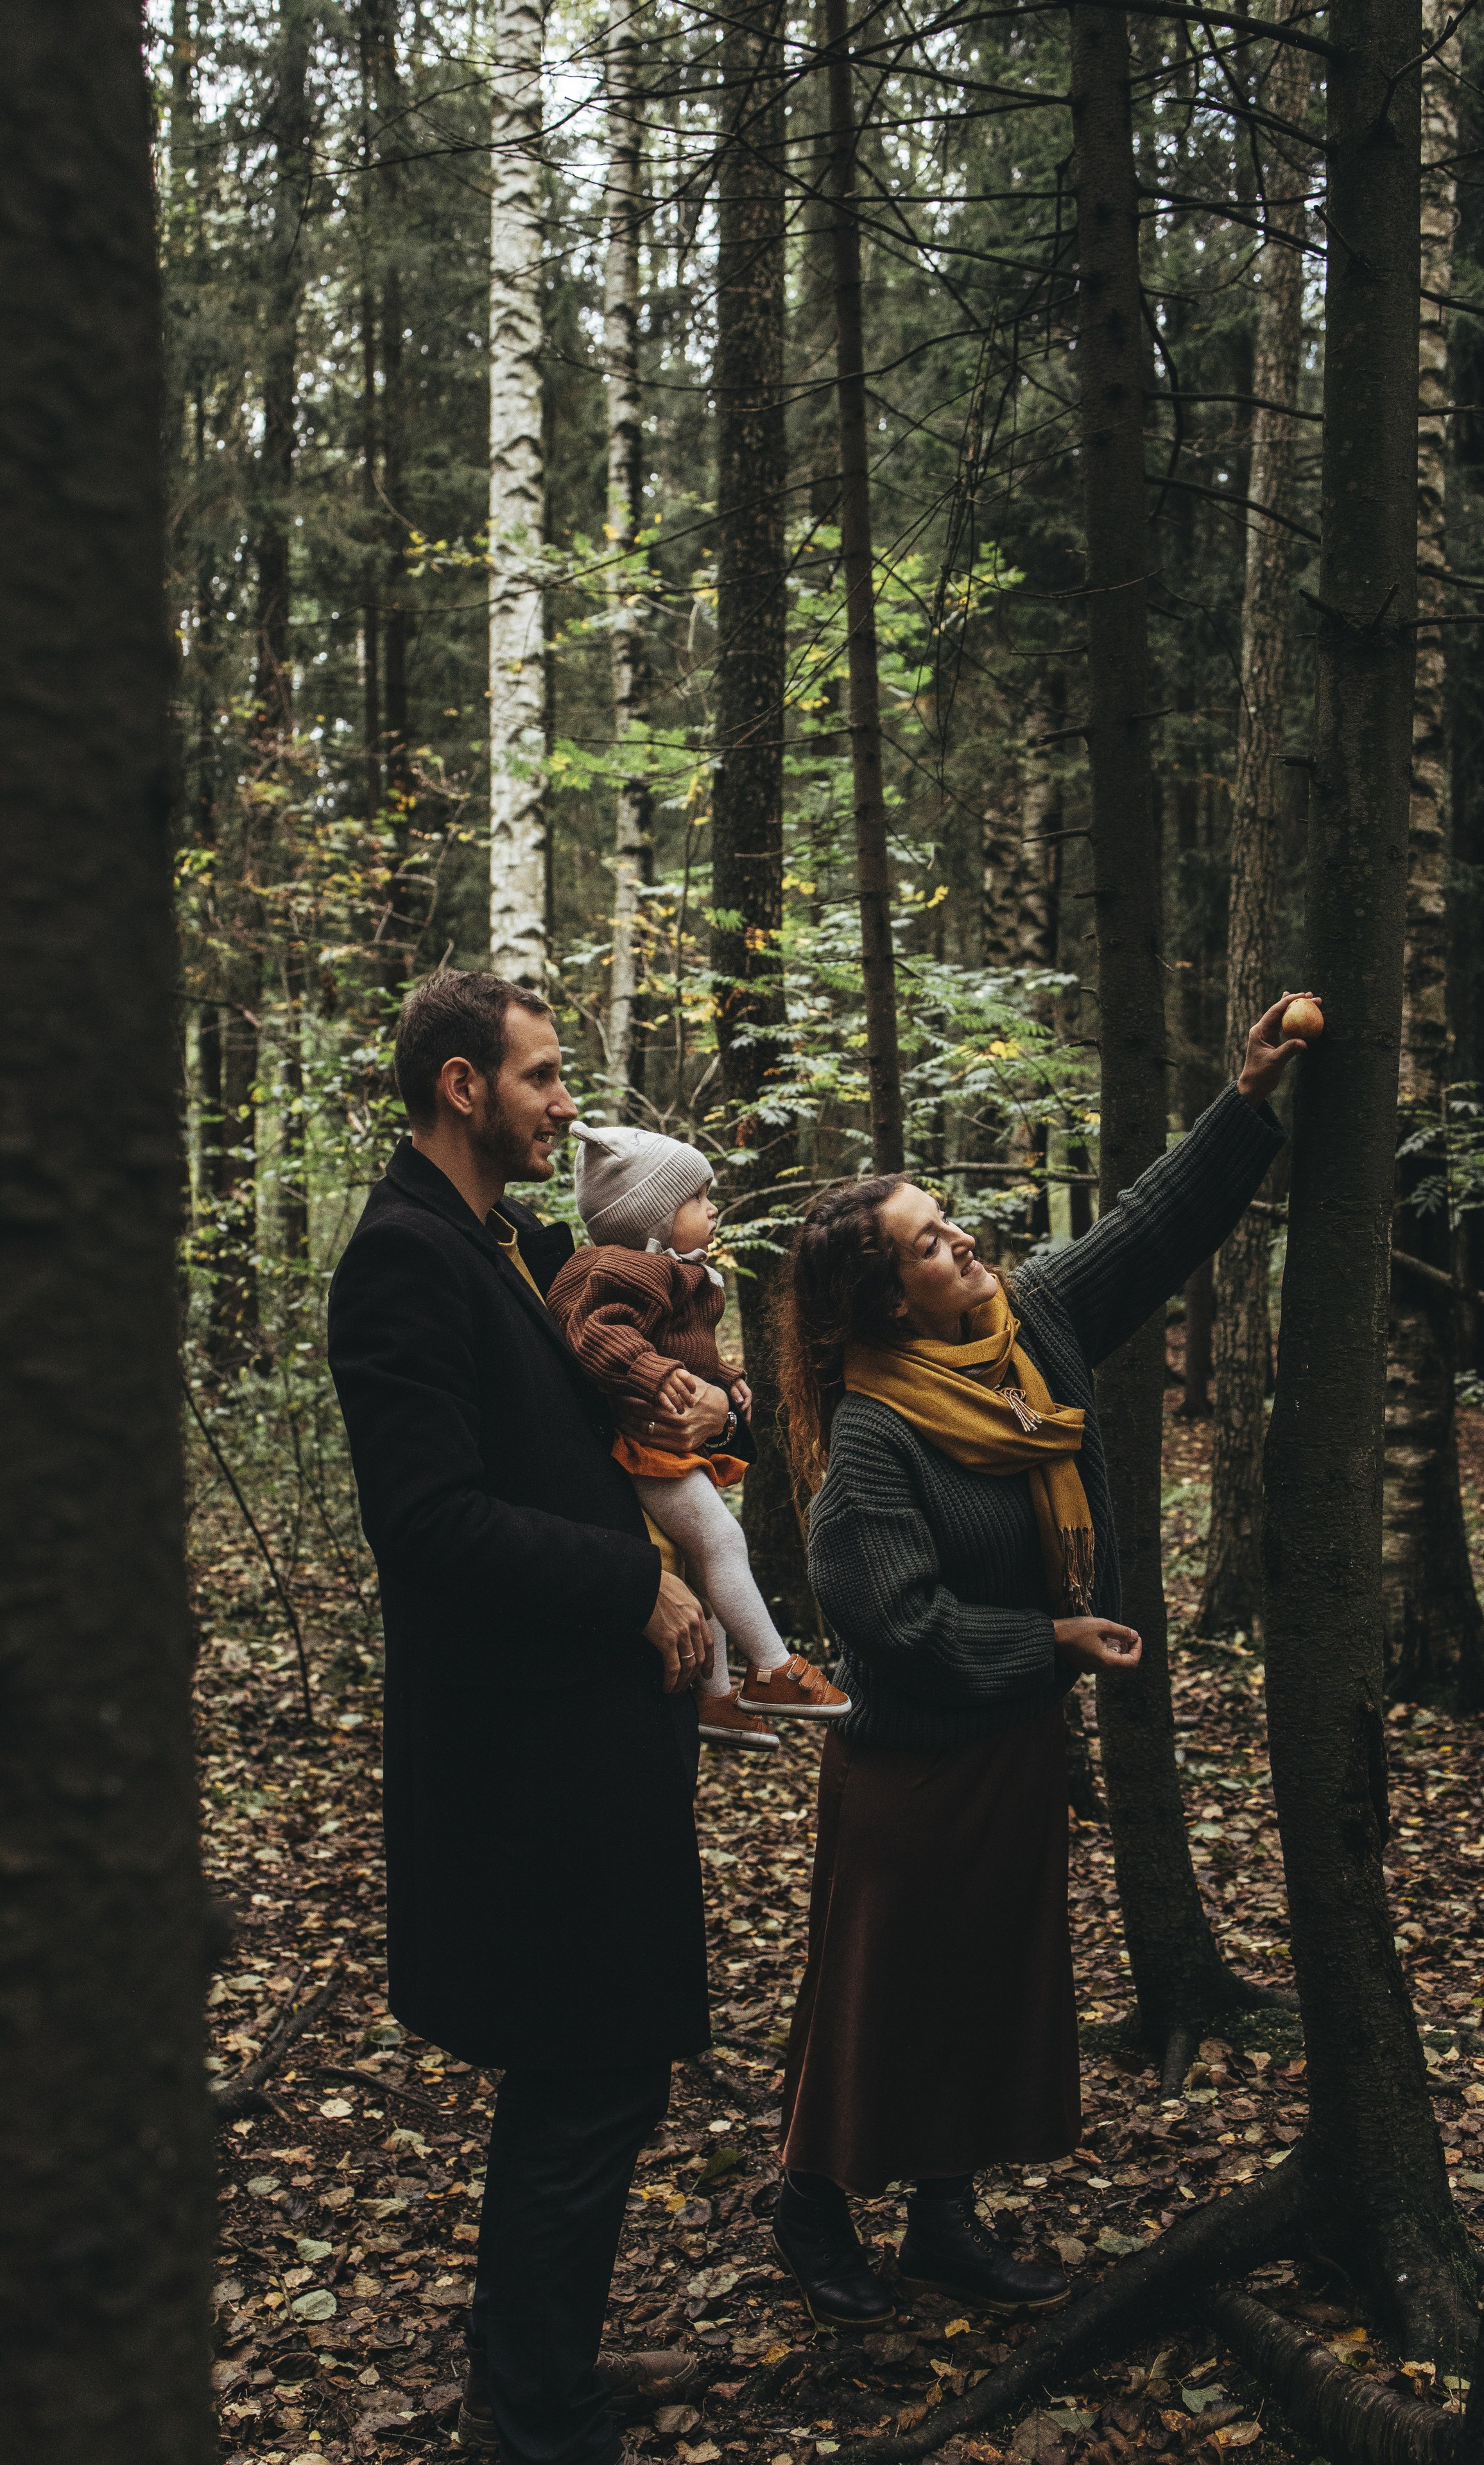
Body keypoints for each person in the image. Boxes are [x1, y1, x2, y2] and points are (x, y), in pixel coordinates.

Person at [768, 998, 1307, 2328]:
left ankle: (944, 2222)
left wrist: (1246, 1099)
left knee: (979, 1988)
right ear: (884, 1297)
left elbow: (1149, 1228)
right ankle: (809, 2205)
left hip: (1007, 1748)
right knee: (877, 1997)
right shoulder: (870, 1441)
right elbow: (893, 1626)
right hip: (908, 1770)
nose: (962, 1242)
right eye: (928, 1244)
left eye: (949, 1221)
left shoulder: (1028, 1328)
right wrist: (1049, 1640)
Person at [327, 970, 725, 2465]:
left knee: (591, 2070)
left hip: (587, 1738)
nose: (568, 1103)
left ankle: (531, 2351)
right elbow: (425, 1520)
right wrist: (629, 1579)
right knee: (589, 2066)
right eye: (545, 1077)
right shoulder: (402, 1260)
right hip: (519, 1757)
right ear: (459, 1085)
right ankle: (543, 2409)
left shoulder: (514, 1240)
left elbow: (617, 1375)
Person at [549, 1121, 851, 1750]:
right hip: (642, 1447)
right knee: (721, 1541)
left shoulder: (675, 1273)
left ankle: (715, 1694)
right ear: (652, 1217)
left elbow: (686, 1349)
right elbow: (594, 1334)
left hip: (666, 1443)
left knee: (707, 1556)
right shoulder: (620, 1269)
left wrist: (727, 1378)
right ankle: (771, 1667)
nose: (712, 1209)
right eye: (697, 1198)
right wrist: (653, 1372)